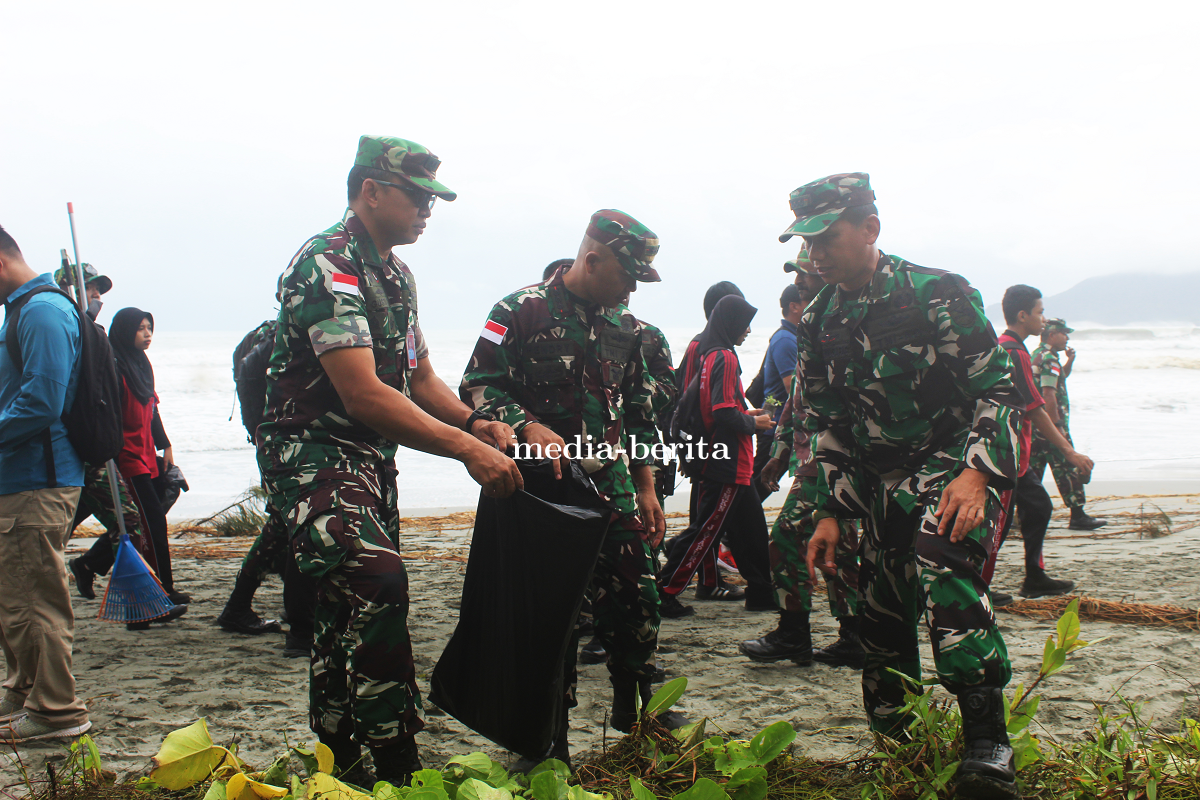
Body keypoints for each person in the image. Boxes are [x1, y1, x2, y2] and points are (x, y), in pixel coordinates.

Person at [257, 135, 522, 787]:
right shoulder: (327, 264)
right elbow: (364, 393)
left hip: (369, 464)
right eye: (417, 195)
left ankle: (336, 753)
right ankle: (397, 758)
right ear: (370, 190)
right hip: (310, 459)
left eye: (433, 198)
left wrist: (479, 423)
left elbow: (420, 379)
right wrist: (464, 450)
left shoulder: (396, 275)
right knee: (378, 581)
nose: (428, 209)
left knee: (342, 605)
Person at [792, 173, 1022, 799]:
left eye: (828, 238)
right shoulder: (819, 318)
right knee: (879, 608)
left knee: (940, 560)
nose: (816, 254)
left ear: (870, 230)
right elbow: (827, 423)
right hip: (874, 482)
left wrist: (977, 472)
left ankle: (986, 744)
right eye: (807, 243)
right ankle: (900, 744)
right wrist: (831, 512)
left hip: (950, 465)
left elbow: (999, 389)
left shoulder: (936, 293)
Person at [461, 208, 680, 756]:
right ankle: (546, 737)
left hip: (613, 485)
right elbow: (477, 387)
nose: (633, 288)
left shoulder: (625, 328)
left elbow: (637, 411)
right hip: (543, 492)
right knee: (551, 616)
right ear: (593, 258)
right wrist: (525, 423)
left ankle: (637, 711)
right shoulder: (518, 311)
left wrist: (648, 485)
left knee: (639, 596)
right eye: (628, 275)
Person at [742, 250, 862, 668]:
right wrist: (778, 453)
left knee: (788, 538)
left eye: (805, 273)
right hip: (818, 456)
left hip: (837, 457)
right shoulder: (812, 324)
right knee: (842, 547)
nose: (801, 282)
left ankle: (795, 633)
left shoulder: (844, 319)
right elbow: (799, 398)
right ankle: (853, 635)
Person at [0, 224, 92, 743]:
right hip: (18, 478)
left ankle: (57, 710)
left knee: (36, 598)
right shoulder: (22, 310)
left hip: (40, 479)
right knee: (16, 597)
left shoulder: (41, 311)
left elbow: (42, 400)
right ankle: (25, 691)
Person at [657, 295, 775, 614]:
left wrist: (749, 413)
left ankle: (762, 591)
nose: (749, 330)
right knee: (707, 530)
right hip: (727, 461)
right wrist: (755, 423)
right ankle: (665, 590)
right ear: (730, 323)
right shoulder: (724, 356)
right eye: (745, 323)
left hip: (724, 459)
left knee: (739, 527)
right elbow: (722, 413)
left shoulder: (712, 354)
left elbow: (718, 405)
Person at [994, 287, 1095, 600]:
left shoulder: (1011, 348)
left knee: (1034, 507)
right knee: (1003, 518)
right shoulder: (1014, 351)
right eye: (1039, 312)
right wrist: (1069, 450)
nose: (1044, 318)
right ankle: (981, 583)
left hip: (1013, 452)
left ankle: (1034, 576)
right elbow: (1035, 407)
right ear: (1022, 316)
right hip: (1005, 453)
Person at [108, 308, 191, 624]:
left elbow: (152, 409)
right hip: (126, 458)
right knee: (146, 525)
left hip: (145, 455)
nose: (147, 334)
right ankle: (148, 601)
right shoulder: (114, 365)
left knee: (152, 525)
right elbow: (110, 414)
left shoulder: (141, 364)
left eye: (149, 328)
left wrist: (165, 444)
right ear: (124, 330)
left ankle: (163, 591)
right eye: (140, 328)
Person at [1031, 318, 1106, 530]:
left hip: (1035, 426)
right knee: (1067, 466)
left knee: (1032, 471)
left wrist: (1069, 361)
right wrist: (1057, 427)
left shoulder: (1037, 356)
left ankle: (1022, 514)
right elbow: (1048, 394)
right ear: (1052, 335)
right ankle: (1078, 516)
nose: (1067, 338)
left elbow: (1057, 378)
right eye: (1064, 333)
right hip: (1050, 426)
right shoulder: (1049, 359)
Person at [750, 283, 806, 499]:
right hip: (775, 429)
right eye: (806, 302)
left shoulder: (791, 337)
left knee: (759, 485)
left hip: (779, 427)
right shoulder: (786, 340)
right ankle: (732, 528)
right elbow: (792, 386)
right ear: (794, 306)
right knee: (759, 486)